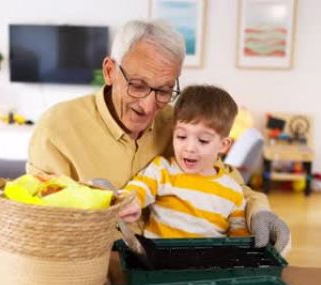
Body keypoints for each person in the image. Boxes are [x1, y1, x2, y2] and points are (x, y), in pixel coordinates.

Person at [26, 19, 289, 252]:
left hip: (164, 266)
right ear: (109, 71)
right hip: (90, 265)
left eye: (164, 91)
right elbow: (41, 218)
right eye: (137, 86)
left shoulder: (178, 126)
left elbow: (229, 185)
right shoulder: (57, 129)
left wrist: (260, 212)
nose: (148, 106)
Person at [120, 85, 250, 239]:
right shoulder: (163, 169)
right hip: (161, 259)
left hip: (207, 262)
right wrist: (131, 203)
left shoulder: (233, 191)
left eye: (203, 140)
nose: (189, 148)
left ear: (223, 145)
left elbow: (239, 236)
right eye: (181, 137)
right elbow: (139, 188)